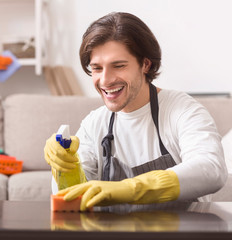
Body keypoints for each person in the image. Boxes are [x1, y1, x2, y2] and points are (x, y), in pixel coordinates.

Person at [44, 12, 227, 211]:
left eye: (119, 66)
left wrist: (132, 188)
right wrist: (64, 167)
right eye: (97, 68)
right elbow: (71, 199)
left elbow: (211, 169)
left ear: (145, 64)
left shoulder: (182, 110)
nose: (105, 80)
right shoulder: (94, 124)